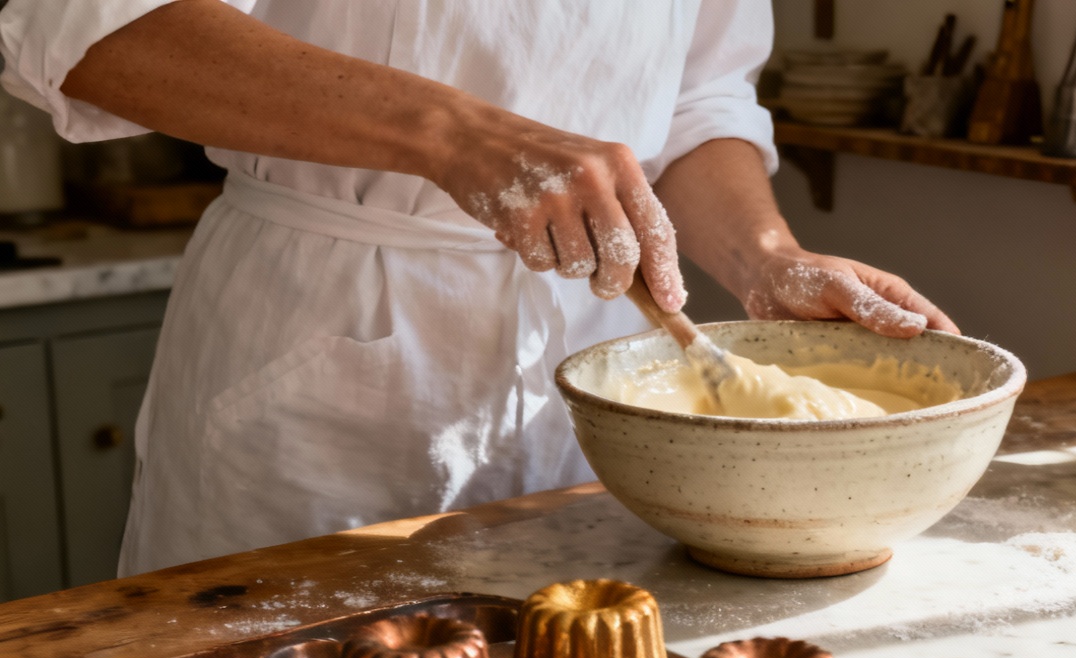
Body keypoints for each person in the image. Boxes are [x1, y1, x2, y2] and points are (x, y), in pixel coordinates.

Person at [0, 0, 957, 575]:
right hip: (329, 343)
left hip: (601, 371)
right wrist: (452, 134)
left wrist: (764, 255)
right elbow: (95, 31)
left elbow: (696, 101)